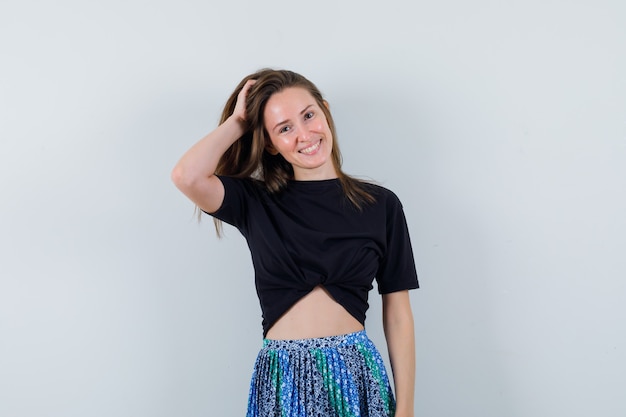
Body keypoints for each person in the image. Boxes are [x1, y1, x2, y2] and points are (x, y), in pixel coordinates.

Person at [171, 68, 419, 417]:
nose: (304, 134)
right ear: (269, 143)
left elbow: (398, 312)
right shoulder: (256, 202)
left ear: (325, 111)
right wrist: (240, 121)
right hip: (282, 379)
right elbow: (187, 176)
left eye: (308, 115)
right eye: (284, 128)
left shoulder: (380, 205)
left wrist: (406, 408)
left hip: (356, 376)